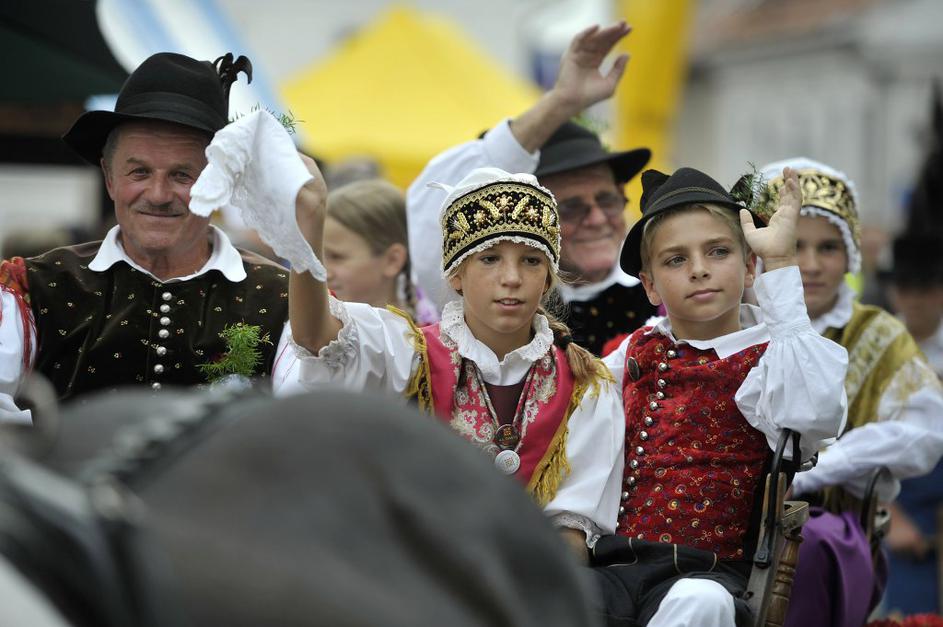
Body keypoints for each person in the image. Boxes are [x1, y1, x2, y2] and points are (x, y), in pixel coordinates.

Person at [280, 165, 625, 559]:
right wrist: (309, 227)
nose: (511, 278)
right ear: (456, 275)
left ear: (547, 278)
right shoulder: (409, 353)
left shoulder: (586, 386)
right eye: (490, 259)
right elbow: (315, 337)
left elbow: (573, 537)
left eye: (531, 261)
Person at [593, 166, 848, 627]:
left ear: (749, 266)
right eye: (676, 260)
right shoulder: (635, 349)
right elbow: (575, 414)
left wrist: (781, 264)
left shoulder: (772, 356)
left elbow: (813, 415)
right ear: (649, 285)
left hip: (708, 570)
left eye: (718, 251)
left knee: (700, 604)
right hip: (616, 563)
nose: (699, 269)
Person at [0, 52, 291, 423]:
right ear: (109, 178)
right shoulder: (34, 287)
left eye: (182, 175)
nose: (158, 194)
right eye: (139, 172)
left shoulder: (284, 301)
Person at [753, 158, 943, 627]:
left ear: (850, 255)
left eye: (829, 247)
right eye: (795, 246)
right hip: (728, 524)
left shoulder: (876, 333)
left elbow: (925, 432)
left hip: (832, 533)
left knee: (814, 547)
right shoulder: (741, 324)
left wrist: (817, 470)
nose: (812, 264)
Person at [407, 22, 656, 356]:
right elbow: (433, 204)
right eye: (572, 207)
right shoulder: (500, 304)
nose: (597, 219)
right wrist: (561, 102)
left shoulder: (665, 291)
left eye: (607, 200)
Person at [322, 179, 437, 323]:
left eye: (336, 257)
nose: (323, 272)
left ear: (392, 260)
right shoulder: (315, 325)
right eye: (319, 255)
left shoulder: (422, 334)